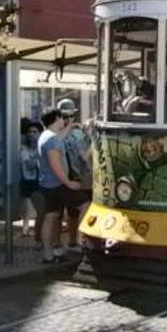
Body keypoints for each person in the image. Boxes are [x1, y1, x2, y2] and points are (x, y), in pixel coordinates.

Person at [37, 108, 84, 264]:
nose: (64, 120)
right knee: (86, 204)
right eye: (63, 118)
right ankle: (83, 242)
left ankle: (48, 254)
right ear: (57, 118)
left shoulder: (45, 136)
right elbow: (55, 164)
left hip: (46, 184)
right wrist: (68, 183)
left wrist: (70, 126)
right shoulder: (53, 140)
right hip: (58, 185)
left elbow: (59, 138)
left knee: (51, 216)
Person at [57, 99, 92, 250]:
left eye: (70, 116)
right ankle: (77, 241)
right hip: (75, 178)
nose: (69, 119)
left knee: (71, 212)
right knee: (81, 209)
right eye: (66, 117)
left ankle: (72, 241)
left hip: (70, 178)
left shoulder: (60, 134)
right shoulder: (73, 134)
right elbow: (85, 157)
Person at [20, 121, 41, 238]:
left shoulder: (41, 146)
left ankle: (37, 228)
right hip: (27, 178)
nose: (32, 134)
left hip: (39, 179)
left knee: (40, 206)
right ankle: (25, 228)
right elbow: (28, 163)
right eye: (30, 132)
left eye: (35, 132)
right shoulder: (24, 147)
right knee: (26, 205)